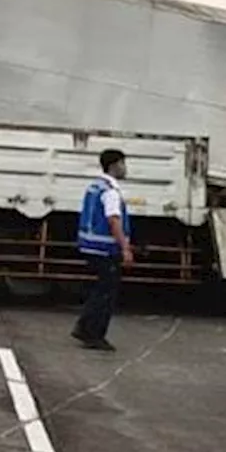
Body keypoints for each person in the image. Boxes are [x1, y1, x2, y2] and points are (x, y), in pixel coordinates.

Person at [71, 148, 133, 351]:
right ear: (115, 165)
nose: (125, 168)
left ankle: (83, 327)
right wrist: (125, 247)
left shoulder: (95, 186)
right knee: (106, 293)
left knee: (99, 290)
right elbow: (113, 220)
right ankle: (94, 334)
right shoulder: (110, 191)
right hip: (105, 249)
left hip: (90, 246)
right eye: (123, 164)